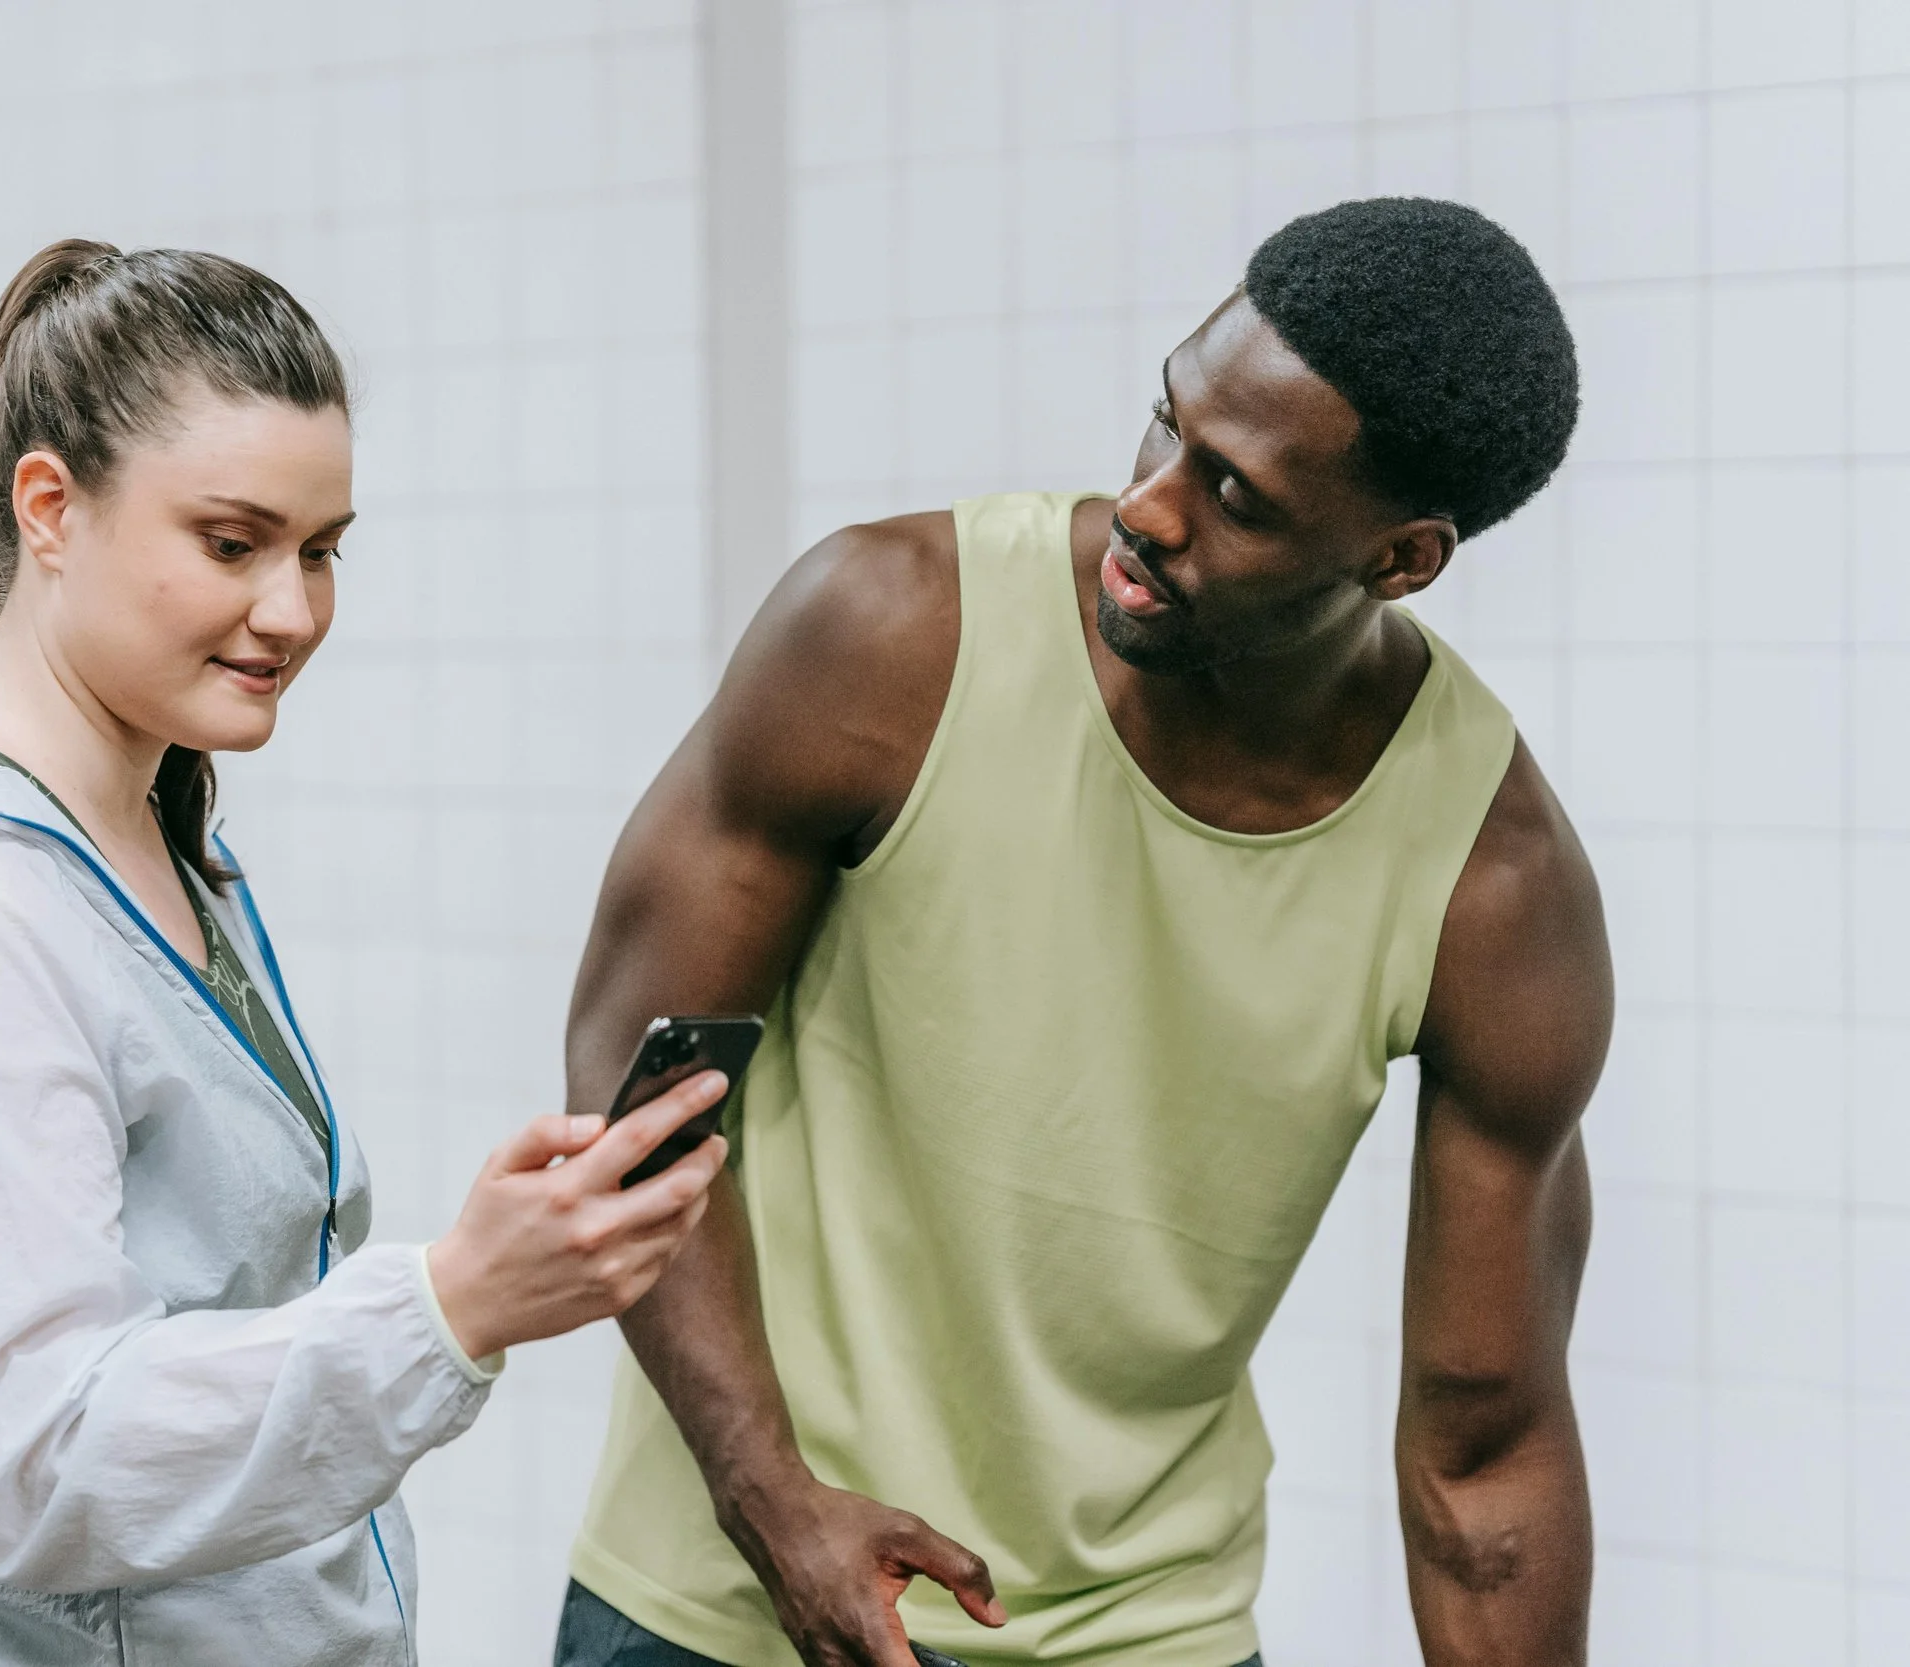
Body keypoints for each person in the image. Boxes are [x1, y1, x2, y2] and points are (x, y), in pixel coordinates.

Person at [553, 198, 1608, 1667]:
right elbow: (637, 1074)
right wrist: (768, 1497)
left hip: (1141, 1633)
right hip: (728, 1598)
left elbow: (1486, 1451)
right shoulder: (890, 635)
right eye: (1163, 426)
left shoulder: (1492, 882)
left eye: (1237, 498)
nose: (1151, 509)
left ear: (1400, 560)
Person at [0, 240, 729, 1666]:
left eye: (323, 550)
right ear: (50, 508)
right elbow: (39, 1456)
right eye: (233, 543)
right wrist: (452, 1302)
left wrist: (479, 1271)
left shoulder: (158, 842)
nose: (295, 611)